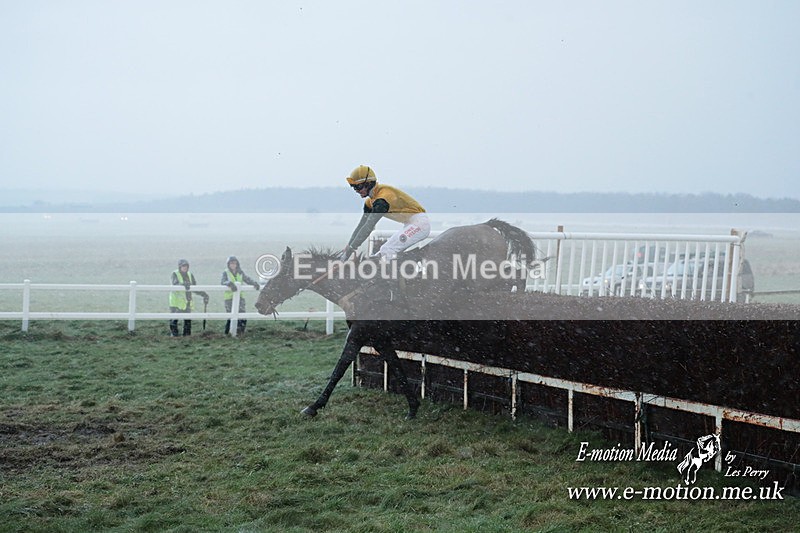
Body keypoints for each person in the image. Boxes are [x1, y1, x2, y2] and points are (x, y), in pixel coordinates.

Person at [340, 165, 431, 261]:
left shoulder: (382, 200)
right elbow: (361, 225)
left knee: (387, 250)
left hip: (420, 224)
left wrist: (352, 248)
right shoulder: (370, 202)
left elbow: (368, 227)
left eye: (358, 186)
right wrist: (349, 245)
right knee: (379, 255)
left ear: (369, 183)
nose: (356, 191)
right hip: (409, 224)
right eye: (354, 187)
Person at [221, 256, 260, 335]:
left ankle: (241, 332)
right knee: (230, 316)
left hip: (240, 298)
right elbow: (223, 281)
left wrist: (254, 283)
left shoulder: (240, 272)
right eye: (231, 263)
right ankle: (227, 333)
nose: (233, 265)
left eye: (234, 263)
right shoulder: (225, 272)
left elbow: (247, 279)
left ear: (237, 264)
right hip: (229, 298)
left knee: (242, 315)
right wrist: (230, 284)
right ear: (228, 264)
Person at [169, 259, 209, 337]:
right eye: (183, 266)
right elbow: (175, 284)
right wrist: (183, 284)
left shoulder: (190, 275)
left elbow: (194, 287)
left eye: (186, 266)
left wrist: (203, 294)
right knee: (174, 320)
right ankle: (174, 335)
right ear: (180, 267)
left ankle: (187, 336)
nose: (185, 268)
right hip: (176, 302)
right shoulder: (175, 274)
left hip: (187, 302)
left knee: (187, 320)